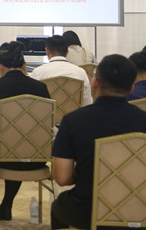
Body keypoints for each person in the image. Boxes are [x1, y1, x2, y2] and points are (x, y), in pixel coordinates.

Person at [50, 54, 146, 230]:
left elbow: (62, 178)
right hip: (139, 210)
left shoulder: (73, 121)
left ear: (95, 83)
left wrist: (85, 174)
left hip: (86, 210)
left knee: (58, 206)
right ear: (132, 87)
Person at [0, 41, 50, 221]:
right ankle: (7, 204)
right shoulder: (40, 88)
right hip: (34, 157)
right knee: (19, 147)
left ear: (0, 67)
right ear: (24, 65)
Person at [30, 35, 92, 106]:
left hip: (46, 112)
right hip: (75, 112)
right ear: (67, 52)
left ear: (47, 51)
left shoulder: (37, 73)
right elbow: (87, 102)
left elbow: (32, 103)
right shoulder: (80, 72)